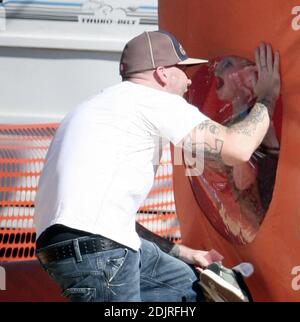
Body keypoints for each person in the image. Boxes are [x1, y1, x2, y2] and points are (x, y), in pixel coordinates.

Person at [34, 30, 281, 302]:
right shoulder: (152, 100)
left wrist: (183, 253)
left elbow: (100, 223)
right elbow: (238, 149)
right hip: (100, 254)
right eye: (183, 70)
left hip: (69, 249)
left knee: (189, 287)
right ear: (162, 73)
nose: (189, 80)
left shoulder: (95, 106)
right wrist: (267, 98)